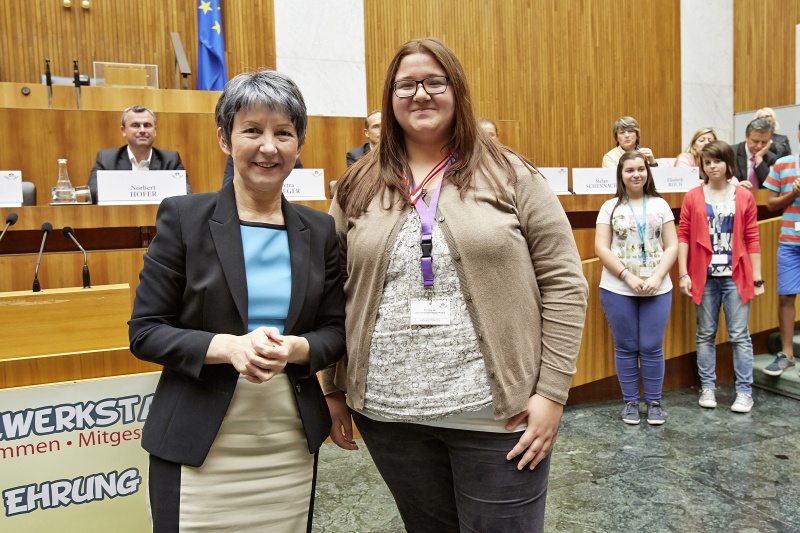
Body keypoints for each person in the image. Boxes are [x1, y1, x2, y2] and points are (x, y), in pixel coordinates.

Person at [323, 38, 588, 532]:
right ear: (390, 96)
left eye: (434, 82)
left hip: (497, 420)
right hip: (390, 417)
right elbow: (333, 290)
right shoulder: (357, 184)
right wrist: (333, 387)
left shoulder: (512, 174)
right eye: (406, 84)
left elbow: (565, 284)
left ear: (456, 91)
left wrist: (551, 393)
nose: (420, 94)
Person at [128, 70, 346, 531]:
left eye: (283, 133)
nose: (269, 147)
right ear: (225, 139)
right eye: (252, 130)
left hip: (287, 442)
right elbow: (146, 331)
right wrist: (230, 348)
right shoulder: (184, 218)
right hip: (197, 444)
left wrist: (295, 349)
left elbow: (336, 330)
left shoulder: (320, 230)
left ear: (298, 145)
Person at [677, 140, 764, 413]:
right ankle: (708, 387)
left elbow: (752, 237)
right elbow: (684, 237)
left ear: (728, 163)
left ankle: (744, 392)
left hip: (736, 275)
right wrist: (683, 273)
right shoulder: (693, 196)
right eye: (707, 162)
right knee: (705, 334)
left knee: (739, 335)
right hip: (705, 276)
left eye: (717, 161)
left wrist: (757, 278)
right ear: (701, 166)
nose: (712, 166)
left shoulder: (743, 196)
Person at [595, 151, 678, 425]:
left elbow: (672, 245)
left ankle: (654, 403)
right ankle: (630, 402)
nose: (636, 174)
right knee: (627, 347)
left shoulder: (660, 204)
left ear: (647, 172)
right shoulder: (610, 207)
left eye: (640, 169)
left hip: (657, 287)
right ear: (620, 174)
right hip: (618, 288)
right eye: (629, 170)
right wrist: (627, 277)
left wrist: (657, 277)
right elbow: (601, 248)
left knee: (652, 346)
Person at [87, 105, 192, 203]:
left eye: (147, 125)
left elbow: (185, 193)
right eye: (135, 125)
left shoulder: (171, 160)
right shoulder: (106, 159)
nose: (142, 130)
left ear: (155, 130)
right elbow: (92, 193)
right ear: (123, 130)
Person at [762, 121, 800, 376]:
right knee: (786, 295)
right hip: (789, 242)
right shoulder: (782, 164)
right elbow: (771, 205)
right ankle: (787, 353)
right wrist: (793, 194)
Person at [733, 117, 778, 189]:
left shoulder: (772, 158)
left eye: (764, 142)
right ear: (746, 137)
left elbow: (771, 187)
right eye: (755, 141)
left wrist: (759, 159)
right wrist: (735, 187)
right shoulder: (731, 153)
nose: (759, 146)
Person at [221, 153, 301, 186]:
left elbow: (303, 188)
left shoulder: (290, 159)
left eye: (283, 133)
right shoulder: (235, 158)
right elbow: (227, 186)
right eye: (251, 131)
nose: (268, 149)